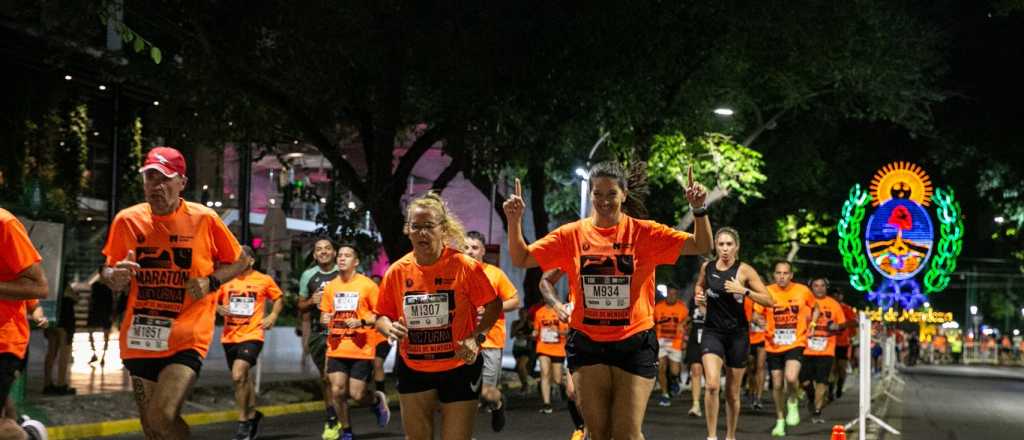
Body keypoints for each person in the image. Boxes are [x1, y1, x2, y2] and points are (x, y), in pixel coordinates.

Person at [504, 161, 712, 440]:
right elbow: (522, 258)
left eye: (611, 193)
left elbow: (701, 245)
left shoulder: (645, 233)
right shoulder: (572, 235)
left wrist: (698, 209)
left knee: (626, 433)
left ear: (624, 195)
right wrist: (514, 220)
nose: (604, 200)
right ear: (590, 195)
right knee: (599, 433)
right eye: (597, 194)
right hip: (588, 342)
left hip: (634, 342)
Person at [101, 146, 248, 439]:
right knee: (152, 429)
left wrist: (211, 282)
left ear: (181, 182)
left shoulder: (203, 218)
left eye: (164, 179)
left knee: (162, 416)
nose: (156, 186)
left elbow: (242, 260)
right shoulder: (127, 220)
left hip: (186, 335)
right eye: (150, 178)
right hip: (141, 336)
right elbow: (108, 270)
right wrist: (113, 276)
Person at [373, 192, 502, 440]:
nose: (422, 233)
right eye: (416, 226)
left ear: (443, 229)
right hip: (413, 366)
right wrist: (388, 328)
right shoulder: (397, 271)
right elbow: (381, 316)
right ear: (407, 230)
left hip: (458, 366)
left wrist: (477, 337)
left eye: (429, 226)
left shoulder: (464, 266)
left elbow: (493, 304)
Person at [694, 227, 774, 440]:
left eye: (729, 244)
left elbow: (770, 301)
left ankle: (730, 436)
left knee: (731, 392)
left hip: (737, 334)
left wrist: (744, 291)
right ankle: (711, 436)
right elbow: (699, 288)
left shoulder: (745, 270)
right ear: (716, 246)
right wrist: (700, 302)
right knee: (711, 385)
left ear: (736, 247)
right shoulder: (707, 267)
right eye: (721, 244)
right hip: (712, 332)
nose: (725, 249)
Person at [319, 244, 390, 440]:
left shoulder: (368, 285)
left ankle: (375, 400)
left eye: (347, 255)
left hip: (361, 348)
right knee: (337, 391)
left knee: (357, 395)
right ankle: (347, 432)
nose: (342, 258)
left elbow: (381, 316)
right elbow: (325, 314)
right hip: (337, 347)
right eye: (340, 255)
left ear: (356, 262)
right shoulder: (331, 287)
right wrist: (324, 318)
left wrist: (362, 321)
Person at [214, 245, 283, 440]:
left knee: (238, 375)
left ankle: (243, 422)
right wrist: (218, 308)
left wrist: (273, 315)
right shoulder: (226, 280)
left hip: (252, 335)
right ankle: (253, 415)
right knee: (242, 380)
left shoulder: (263, 280)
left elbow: (278, 298)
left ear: (251, 260)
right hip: (229, 337)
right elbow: (210, 300)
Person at [0, 207, 50, 440]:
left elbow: (39, 288)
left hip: (3, 342)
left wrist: (37, 313)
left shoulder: (5, 224)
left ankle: (28, 435)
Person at [463, 230, 519, 431]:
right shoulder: (455, 275)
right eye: (466, 247)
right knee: (463, 395)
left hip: (490, 342)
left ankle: (498, 403)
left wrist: (492, 308)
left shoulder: (494, 274)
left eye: (474, 248)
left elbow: (515, 300)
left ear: (483, 251)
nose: (469, 252)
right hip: (463, 343)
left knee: (486, 393)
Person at [763, 261, 820, 437]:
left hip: (796, 341)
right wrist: (759, 321)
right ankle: (780, 420)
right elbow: (757, 313)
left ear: (791, 275)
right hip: (773, 343)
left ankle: (793, 400)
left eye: (785, 273)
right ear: (774, 275)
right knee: (777, 384)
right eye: (778, 273)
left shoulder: (802, 290)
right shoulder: (767, 291)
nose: (781, 276)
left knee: (791, 376)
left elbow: (816, 308)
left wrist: (813, 323)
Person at [297, 238, 341, 437]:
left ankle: (337, 417)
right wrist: (310, 301)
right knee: (325, 378)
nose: (323, 252)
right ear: (315, 254)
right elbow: (300, 306)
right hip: (319, 333)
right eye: (319, 249)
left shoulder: (343, 272)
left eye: (327, 248)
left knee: (337, 379)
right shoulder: (308, 275)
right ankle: (333, 418)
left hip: (342, 332)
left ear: (334, 253)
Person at [798, 278, 845, 425]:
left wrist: (837, 327)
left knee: (821, 381)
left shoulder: (834, 304)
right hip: (805, 348)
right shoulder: (803, 303)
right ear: (810, 288)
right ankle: (811, 397)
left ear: (826, 287)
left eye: (822, 286)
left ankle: (817, 411)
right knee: (804, 382)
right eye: (816, 286)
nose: (819, 288)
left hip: (826, 349)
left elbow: (842, 324)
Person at [653, 286, 687, 407]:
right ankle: (665, 394)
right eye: (670, 294)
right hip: (661, 341)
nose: (672, 296)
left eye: (674, 294)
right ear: (666, 294)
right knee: (661, 367)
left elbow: (687, 321)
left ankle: (673, 380)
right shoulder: (658, 307)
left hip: (675, 342)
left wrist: (683, 328)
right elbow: (652, 323)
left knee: (674, 371)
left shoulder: (682, 308)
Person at [534, 300, 570, 414]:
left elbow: (568, 331)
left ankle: (565, 387)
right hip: (543, 347)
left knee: (557, 379)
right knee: (544, 373)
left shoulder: (560, 312)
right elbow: (536, 329)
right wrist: (534, 333)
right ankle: (546, 404)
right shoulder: (539, 312)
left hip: (558, 348)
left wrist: (558, 331)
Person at [42, 286, 76, 396]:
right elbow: (75, 297)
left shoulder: (53, 281)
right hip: (66, 320)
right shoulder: (65, 284)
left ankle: (47, 384)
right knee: (64, 353)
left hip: (52, 317)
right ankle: (61, 384)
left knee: (51, 352)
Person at [829, 287, 857, 400]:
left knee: (841, 368)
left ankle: (839, 387)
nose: (837, 296)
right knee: (832, 368)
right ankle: (831, 390)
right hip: (829, 342)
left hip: (843, 343)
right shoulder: (827, 307)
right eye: (835, 294)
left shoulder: (847, 309)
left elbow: (855, 322)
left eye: (839, 294)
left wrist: (842, 326)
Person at [87, 269, 116, 367]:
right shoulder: (95, 285)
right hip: (95, 311)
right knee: (90, 333)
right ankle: (94, 353)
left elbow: (112, 301)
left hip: (105, 312)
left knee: (106, 335)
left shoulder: (109, 286)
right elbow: (90, 299)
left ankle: (103, 356)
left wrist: (112, 314)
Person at [684, 290, 706, 418]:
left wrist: (703, 305)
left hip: (711, 337)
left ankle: (713, 400)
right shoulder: (694, 299)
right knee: (696, 369)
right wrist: (684, 323)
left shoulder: (717, 295)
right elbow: (691, 316)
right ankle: (696, 404)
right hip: (695, 338)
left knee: (710, 375)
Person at [744, 295, 768, 410]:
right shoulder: (746, 300)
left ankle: (759, 397)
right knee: (750, 367)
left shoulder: (764, 299)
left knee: (760, 366)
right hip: (748, 338)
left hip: (763, 338)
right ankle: (752, 391)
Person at [511, 307, 536, 396]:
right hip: (517, 348)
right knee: (519, 368)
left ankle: (525, 385)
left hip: (527, 348)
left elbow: (535, 336)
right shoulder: (515, 323)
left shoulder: (531, 324)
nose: (522, 315)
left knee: (521, 366)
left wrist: (526, 336)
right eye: (520, 313)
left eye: (524, 313)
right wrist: (521, 323)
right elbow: (511, 335)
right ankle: (525, 384)